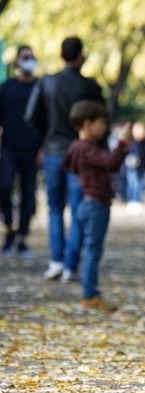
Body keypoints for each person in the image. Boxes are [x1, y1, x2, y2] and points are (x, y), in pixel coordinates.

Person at [24, 36, 104, 282]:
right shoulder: (90, 86)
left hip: (54, 150)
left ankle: (56, 260)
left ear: (61, 55)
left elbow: (30, 116)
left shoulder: (47, 83)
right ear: (81, 55)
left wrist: (46, 135)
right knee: (79, 209)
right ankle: (71, 264)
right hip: (81, 153)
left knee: (55, 207)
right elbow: (102, 121)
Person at [62, 100, 131, 311]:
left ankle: (89, 291)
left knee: (89, 247)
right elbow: (112, 164)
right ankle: (90, 294)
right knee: (93, 250)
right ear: (87, 123)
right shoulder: (87, 148)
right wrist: (123, 144)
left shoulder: (77, 147)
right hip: (95, 205)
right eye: (101, 123)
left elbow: (68, 163)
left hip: (87, 202)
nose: (104, 128)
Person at [0, 45, 42, 258]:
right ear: (16, 61)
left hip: (32, 149)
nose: (29, 60)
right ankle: (9, 228)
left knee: (28, 194)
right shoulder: (6, 88)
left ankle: (22, 237)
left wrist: (42, 148)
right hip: (8, 147)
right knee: (4, 186)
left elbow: (45, 120)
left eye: (32, 57)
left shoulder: (40, 87)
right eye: (25, 57)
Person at [124, 121, 145, 215]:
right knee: (133, 184)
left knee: (140, 184)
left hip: (142, 167)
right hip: (131, 167)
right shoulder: (130, 143)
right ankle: (131, 201)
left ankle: (137, 201)